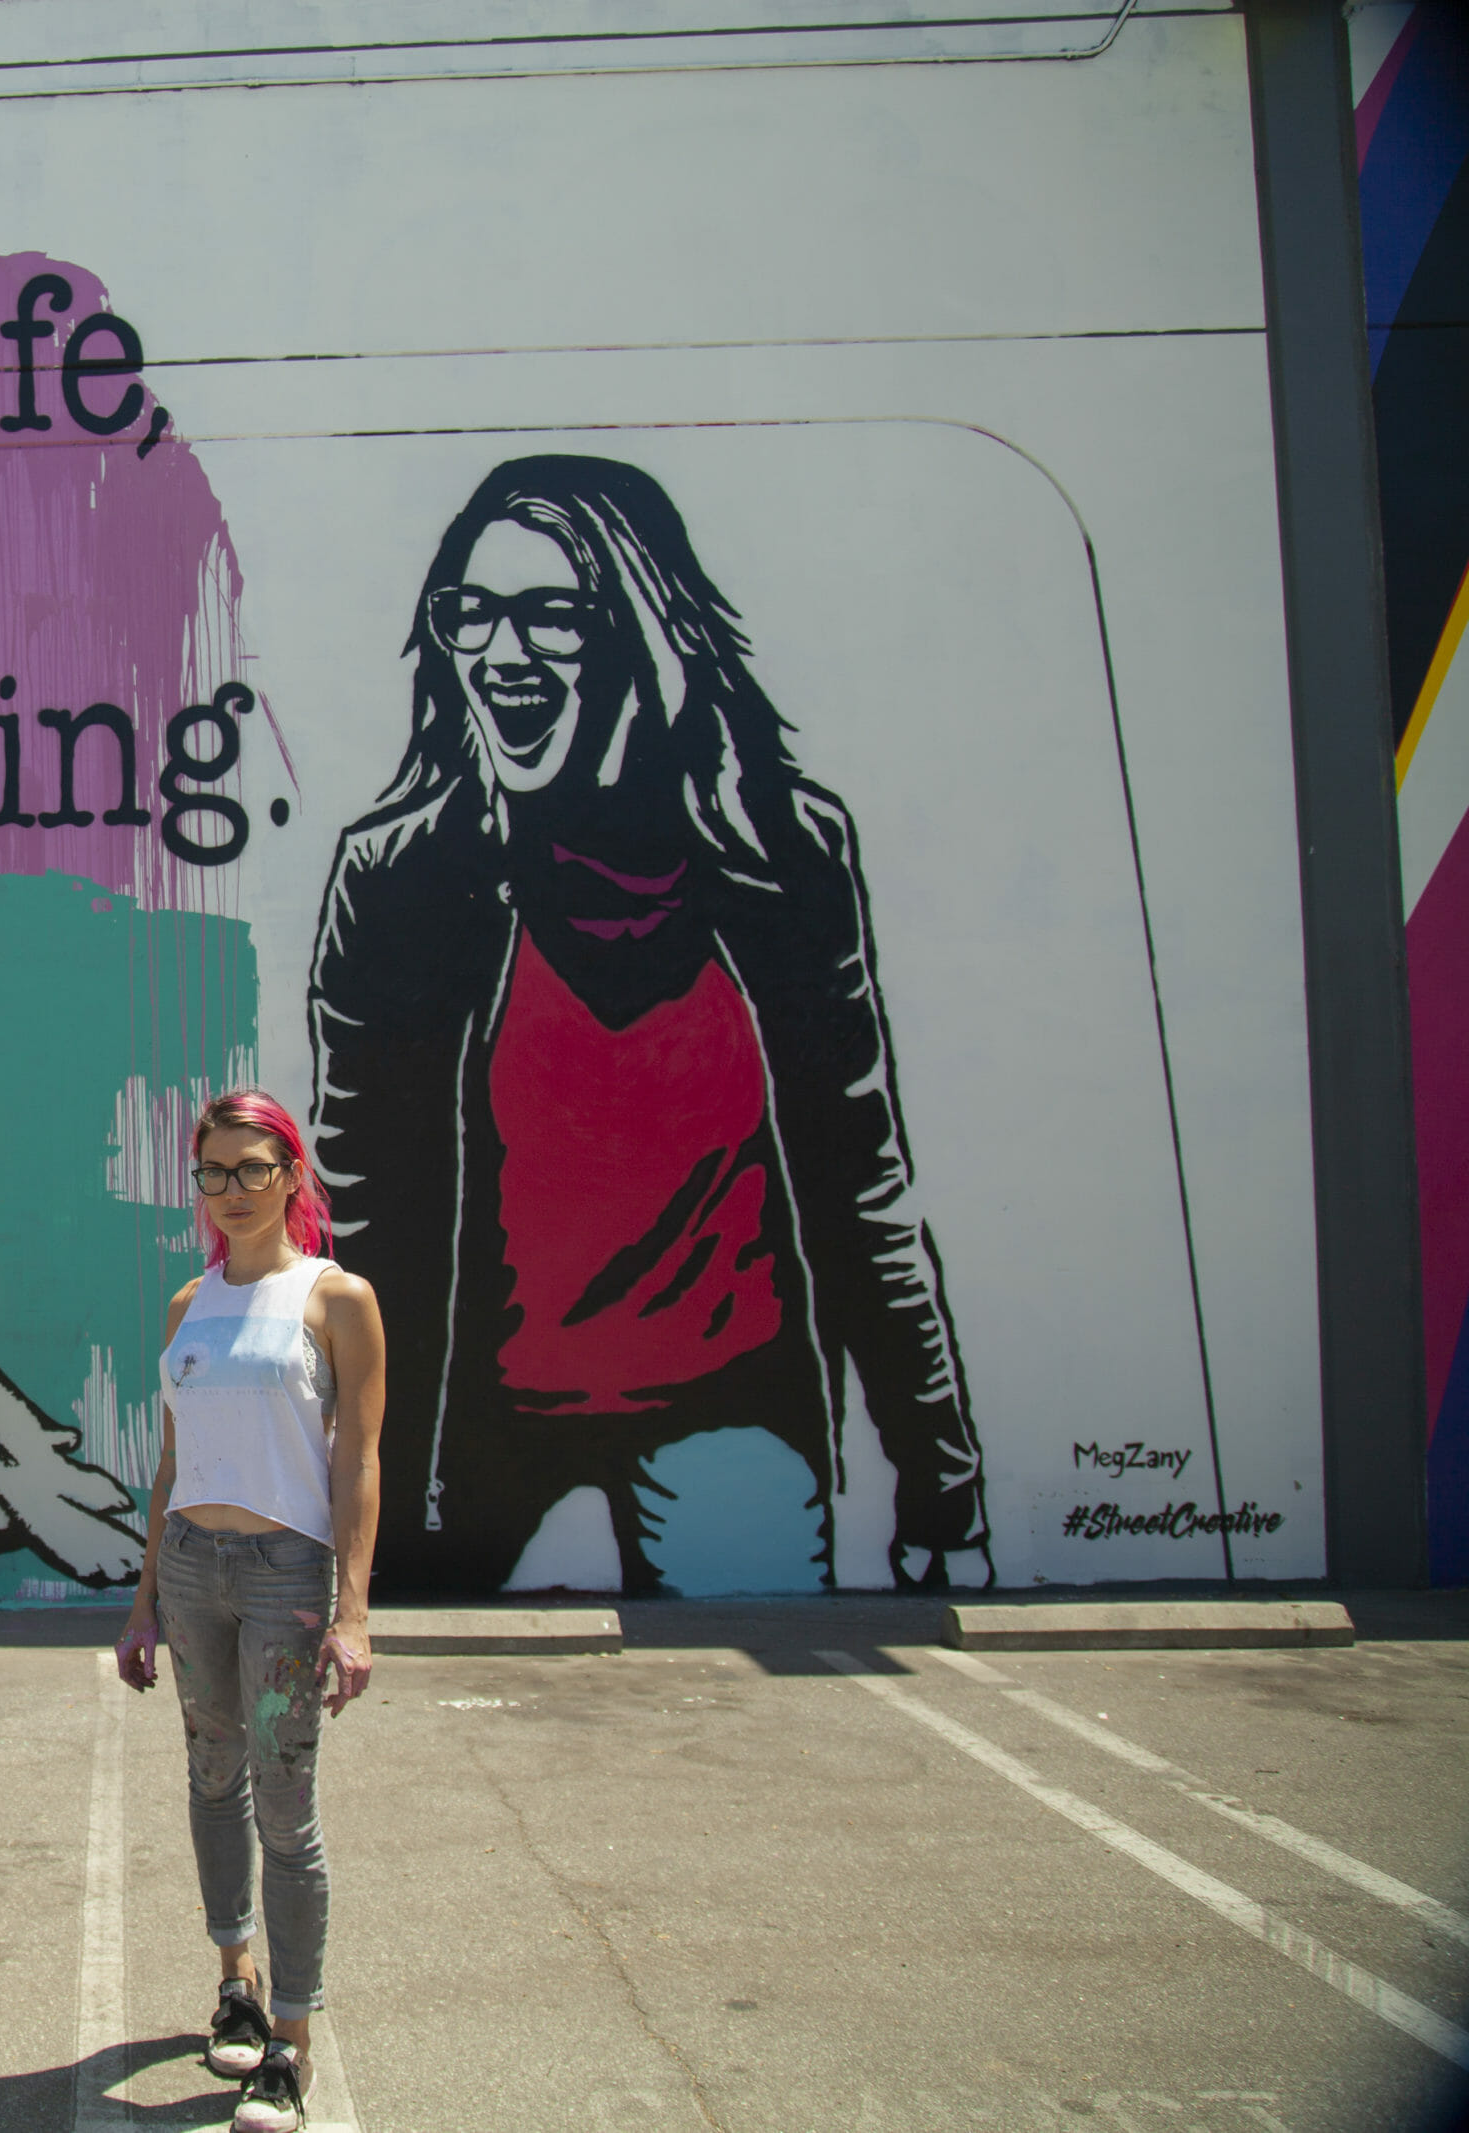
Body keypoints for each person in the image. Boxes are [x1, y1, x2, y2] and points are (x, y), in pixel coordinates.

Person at [305, 454, 993, 1598]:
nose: (499, 651)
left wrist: (939, 1483)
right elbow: (358, 1222)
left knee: (745, 1751)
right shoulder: (401, 878)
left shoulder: (783, 858)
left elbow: (858, 1186)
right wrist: (328, 1467)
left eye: (548, 617)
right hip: (460, 1427)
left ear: (635, 627)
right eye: (468, 614)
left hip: (726, 1409)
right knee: (427, 1746)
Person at [114, 1088, 386, 2133]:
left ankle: (290, 2043)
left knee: (285, 1804)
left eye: (251, 1169)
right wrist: (141, 1604)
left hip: (284, 1577)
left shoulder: (335, 1298)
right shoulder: (190, 1305)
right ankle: (233, 1980)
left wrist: (350, 1613)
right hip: (190, 1570)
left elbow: (357, 1459)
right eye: (212, 1172)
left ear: (290, 1174)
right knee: (209, 1776)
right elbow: (173, 1464)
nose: (231, 1191)